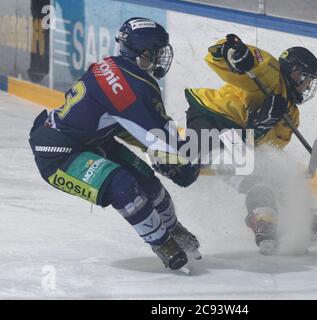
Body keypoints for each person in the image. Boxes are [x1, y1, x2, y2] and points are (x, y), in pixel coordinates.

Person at [29, 17, 200, 271]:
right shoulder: (134, 88)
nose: (161, 58)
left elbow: (122, 123)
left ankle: (172, 227)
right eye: (156, 52)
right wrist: (184, 167)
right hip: (58, 154)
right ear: (143, 53)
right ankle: (162, 242)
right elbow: (164, 140)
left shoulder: (115, 67)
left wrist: (159, 151)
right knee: (123, 185)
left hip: (92, 141)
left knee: (147, 181)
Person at [184, 34, 317, 249]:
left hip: (238, 137)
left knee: (269, 170)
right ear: (292, 71)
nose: (305, 85)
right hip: (213, 116)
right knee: (247, 172)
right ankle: (263, 219)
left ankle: (301, 214)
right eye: (304, 78)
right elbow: (218, 56)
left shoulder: (291, 114)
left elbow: (266, 148)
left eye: (310, 81)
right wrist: (233, 53)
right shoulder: (271, 73)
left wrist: (260, 127)